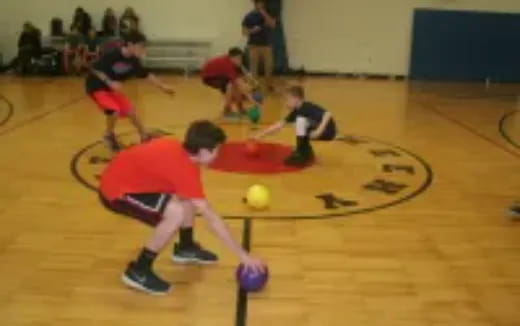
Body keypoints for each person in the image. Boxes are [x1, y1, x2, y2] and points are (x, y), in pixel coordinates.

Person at [99, 120, 266, 294]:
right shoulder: (183, 167)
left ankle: (185, 247)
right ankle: (139, 271)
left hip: (132, 180)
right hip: (116, 190)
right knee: (176, 213)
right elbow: (212, 220)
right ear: (203, 151)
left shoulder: (185, 156)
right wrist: (243, 256)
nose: (218, 154)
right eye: (216, 150)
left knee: (188, 198)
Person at [85, 31, 174, 153]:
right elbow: (94, 68)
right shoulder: (112, 54)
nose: (143, 49)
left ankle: (143, 135)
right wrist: (110, 82)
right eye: (141, 46)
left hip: (111, 89)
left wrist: (163, 87)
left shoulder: (134, 61)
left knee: (130, 111)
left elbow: (146, 75)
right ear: (130, 44)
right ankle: (108, 135)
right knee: (114, 111)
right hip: (96, 86)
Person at [252, 85, 337, 166]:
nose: (286, 103)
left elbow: (327, 114)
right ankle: (306, 152)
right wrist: (259, 135)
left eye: (288, 99)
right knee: (300, 122)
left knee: (300, 121)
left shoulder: (307, 107)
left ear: (296, 99)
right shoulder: (296, 111)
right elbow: (279, 125)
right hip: (316, 129)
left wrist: (319, 131)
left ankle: (301, 152)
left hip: (327, 131)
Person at [201, 47, 260, 119]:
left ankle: (240, 109)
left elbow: (242, 79)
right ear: (232, 58)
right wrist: (253, 102)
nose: (240, 61)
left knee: (235, 84)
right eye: (238, 59)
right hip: (209, 77)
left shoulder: (232, 61)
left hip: (219, 75)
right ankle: (227, 111)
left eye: (240, 58)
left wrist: (253, 84)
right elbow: (240, 85)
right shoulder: (228, 65)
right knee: (230, 86)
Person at [242, 0, 276, 91]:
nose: (260, 5)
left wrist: (264, 13)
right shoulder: (249, 16)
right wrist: (252, 30)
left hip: (266, 45)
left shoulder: (269, 13)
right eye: (258, 3)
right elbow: (244, 32)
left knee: (269, 66)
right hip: (253, 45)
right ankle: (254, 86)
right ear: (255, 4)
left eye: (262, 3)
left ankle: (269, 85)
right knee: (253, 67)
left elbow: (272, 25)